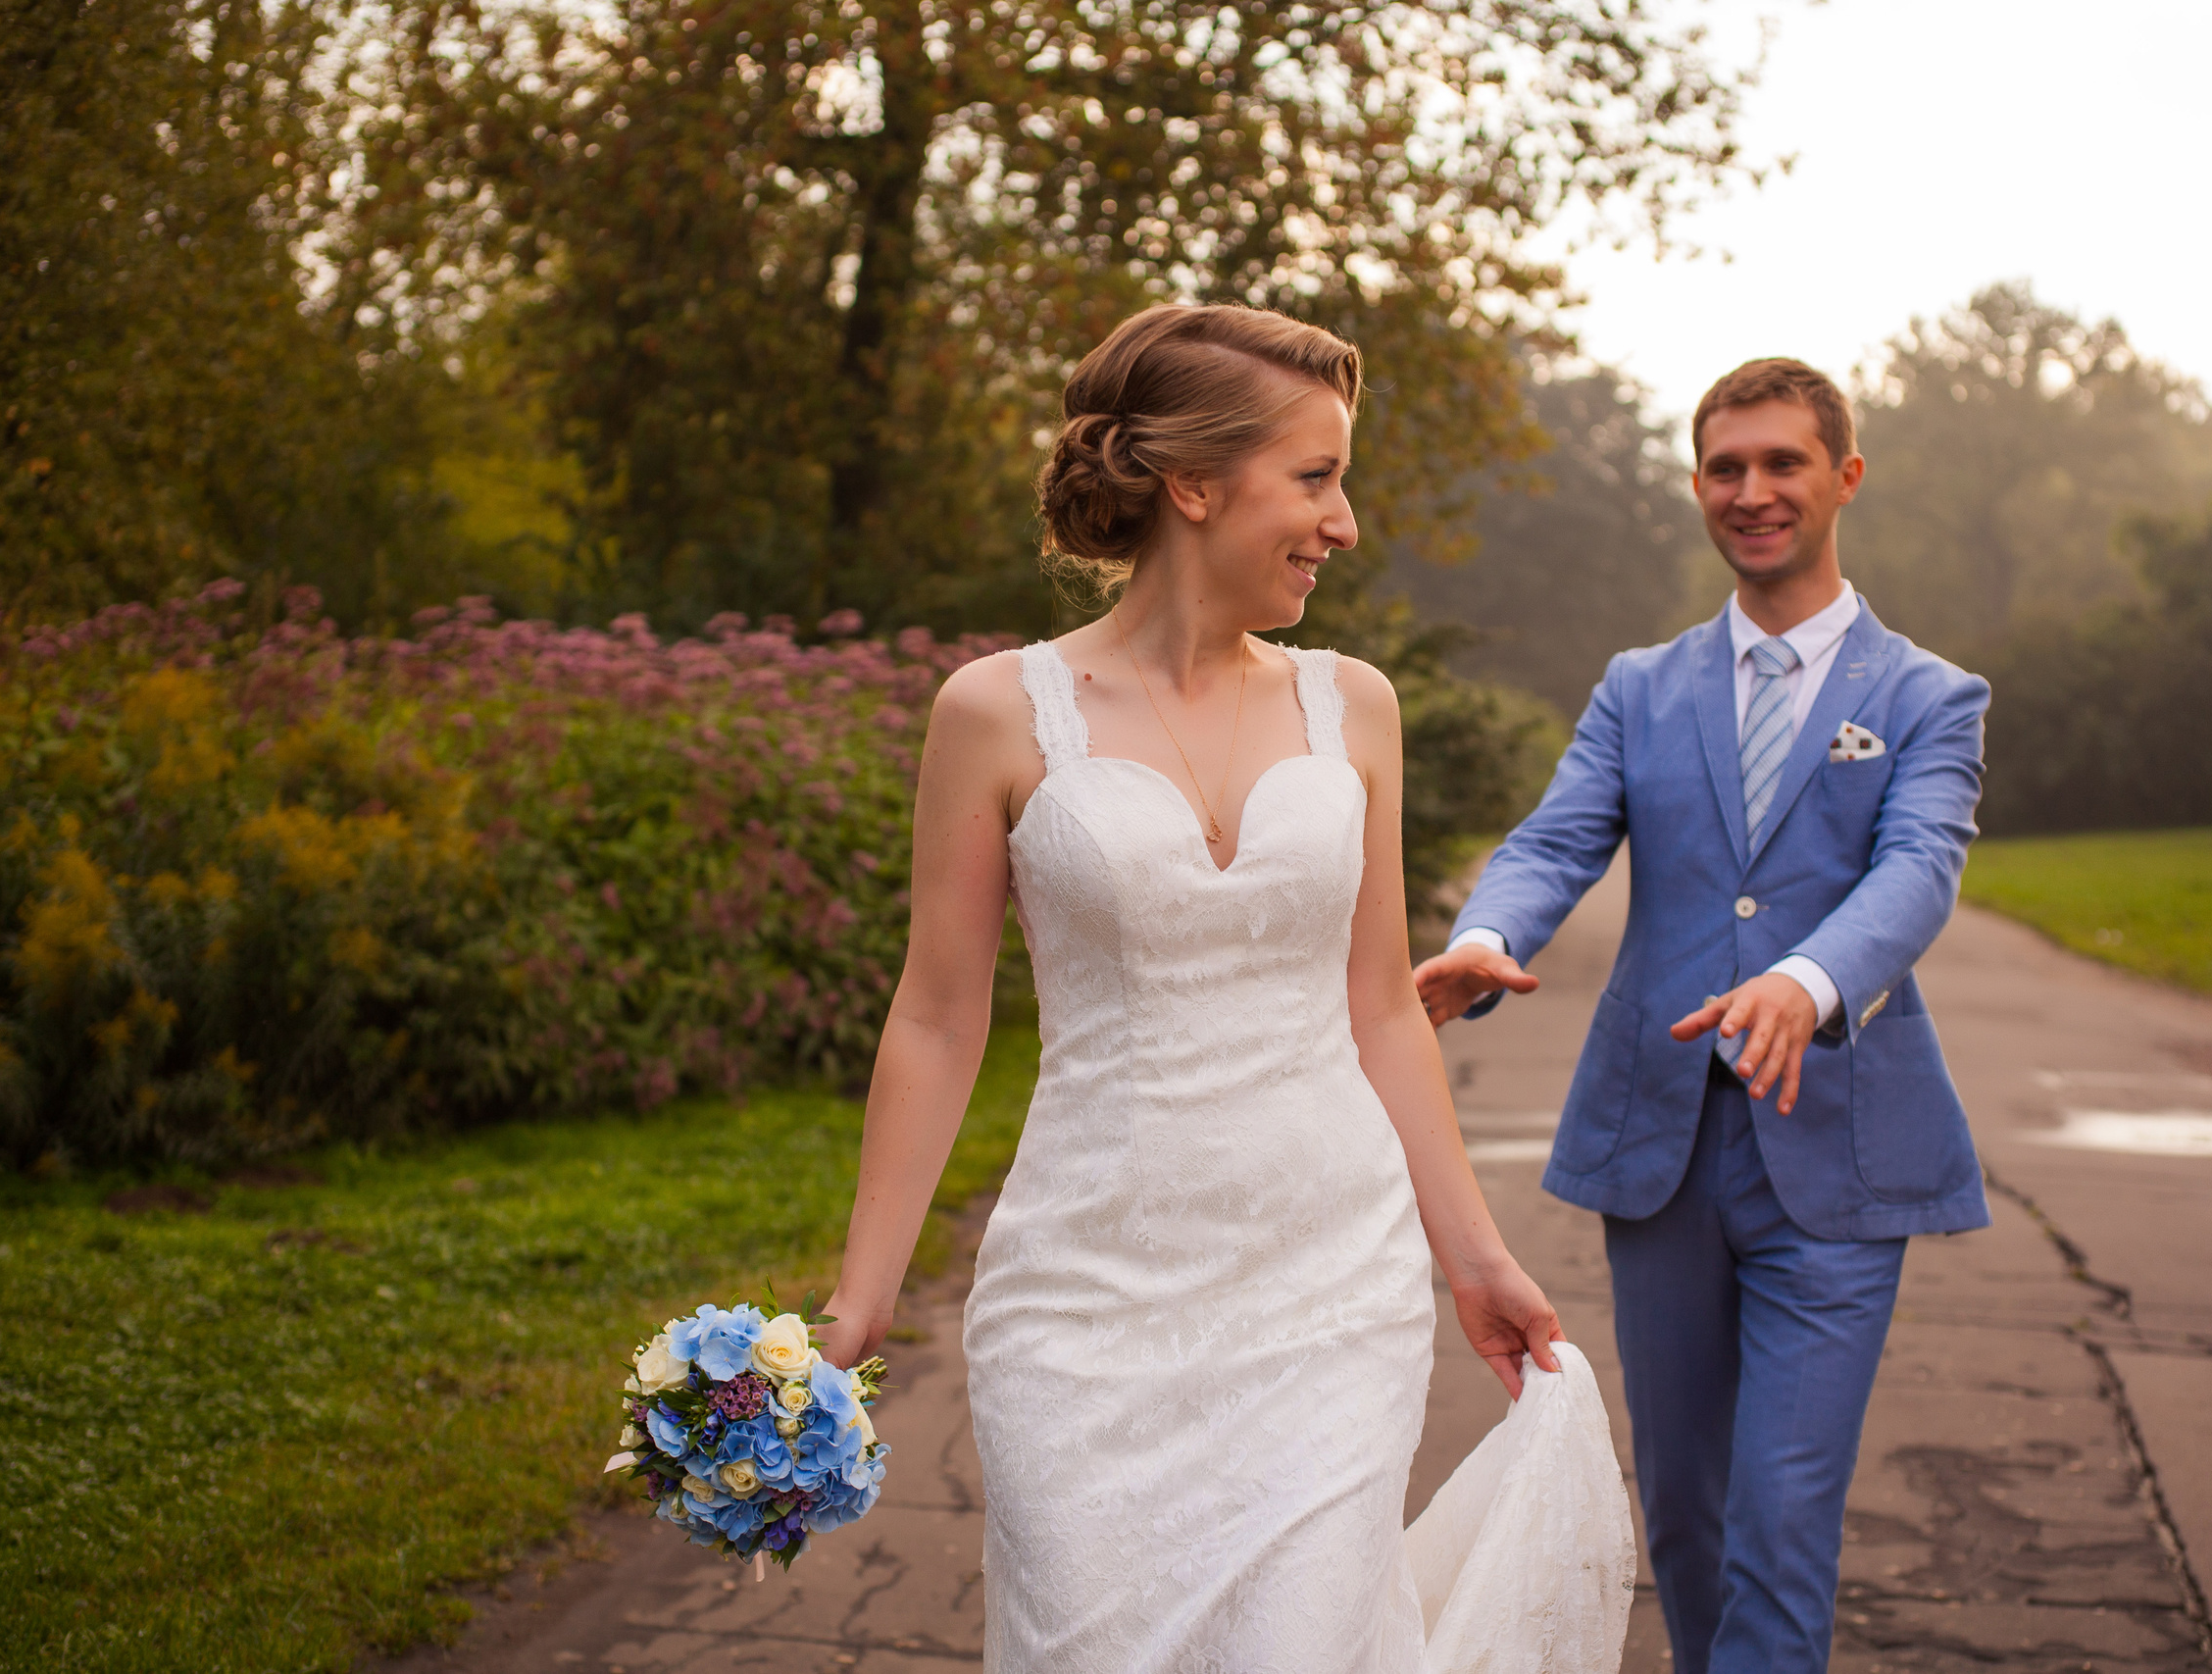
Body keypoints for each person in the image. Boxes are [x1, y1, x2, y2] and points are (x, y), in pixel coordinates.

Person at [817, 303, 1632, 1672]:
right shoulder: (994, 715)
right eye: (1314, 479)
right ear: (1193, 484)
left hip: (1329, 1290)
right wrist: (862, 1300)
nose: (1346, 521)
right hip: (1083, 1300)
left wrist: (1475, 1257)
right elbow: (941, 1015)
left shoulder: (1353, 706)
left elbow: (1379, 1007)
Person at [1415, 358, 1991, 1674]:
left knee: (1780, 1519)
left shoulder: (1927, 698)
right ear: (1697, 485)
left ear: (1843, 476)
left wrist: (1806, 980)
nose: (1752, 492)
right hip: (1661, 1154)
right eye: (1726, 468)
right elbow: (1558, 837)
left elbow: (1916, 874)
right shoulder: (1640, 686)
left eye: (1782, 463)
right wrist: (1487, 937)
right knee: (1683, 1512)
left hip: (1840, 1157)